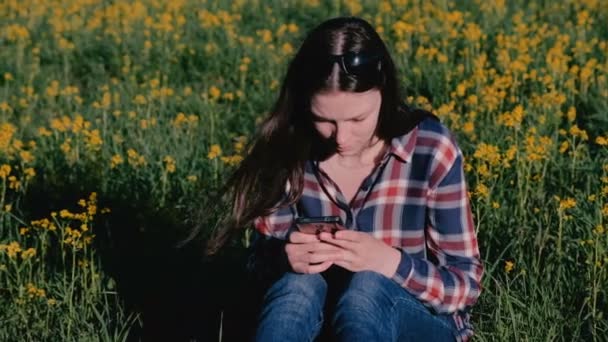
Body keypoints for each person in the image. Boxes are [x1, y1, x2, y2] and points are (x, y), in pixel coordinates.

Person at [204, 16, 483, 342]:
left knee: (367, 287)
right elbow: (256, 269)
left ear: (385, 93)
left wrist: (390, 263)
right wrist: (283, 257)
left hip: (413, 321)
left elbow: (464, 287)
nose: (341, 137)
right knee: (297, 284)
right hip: (318, 322)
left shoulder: (429, 149)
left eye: (357, 118)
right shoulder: (289, 149)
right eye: (324, 120)